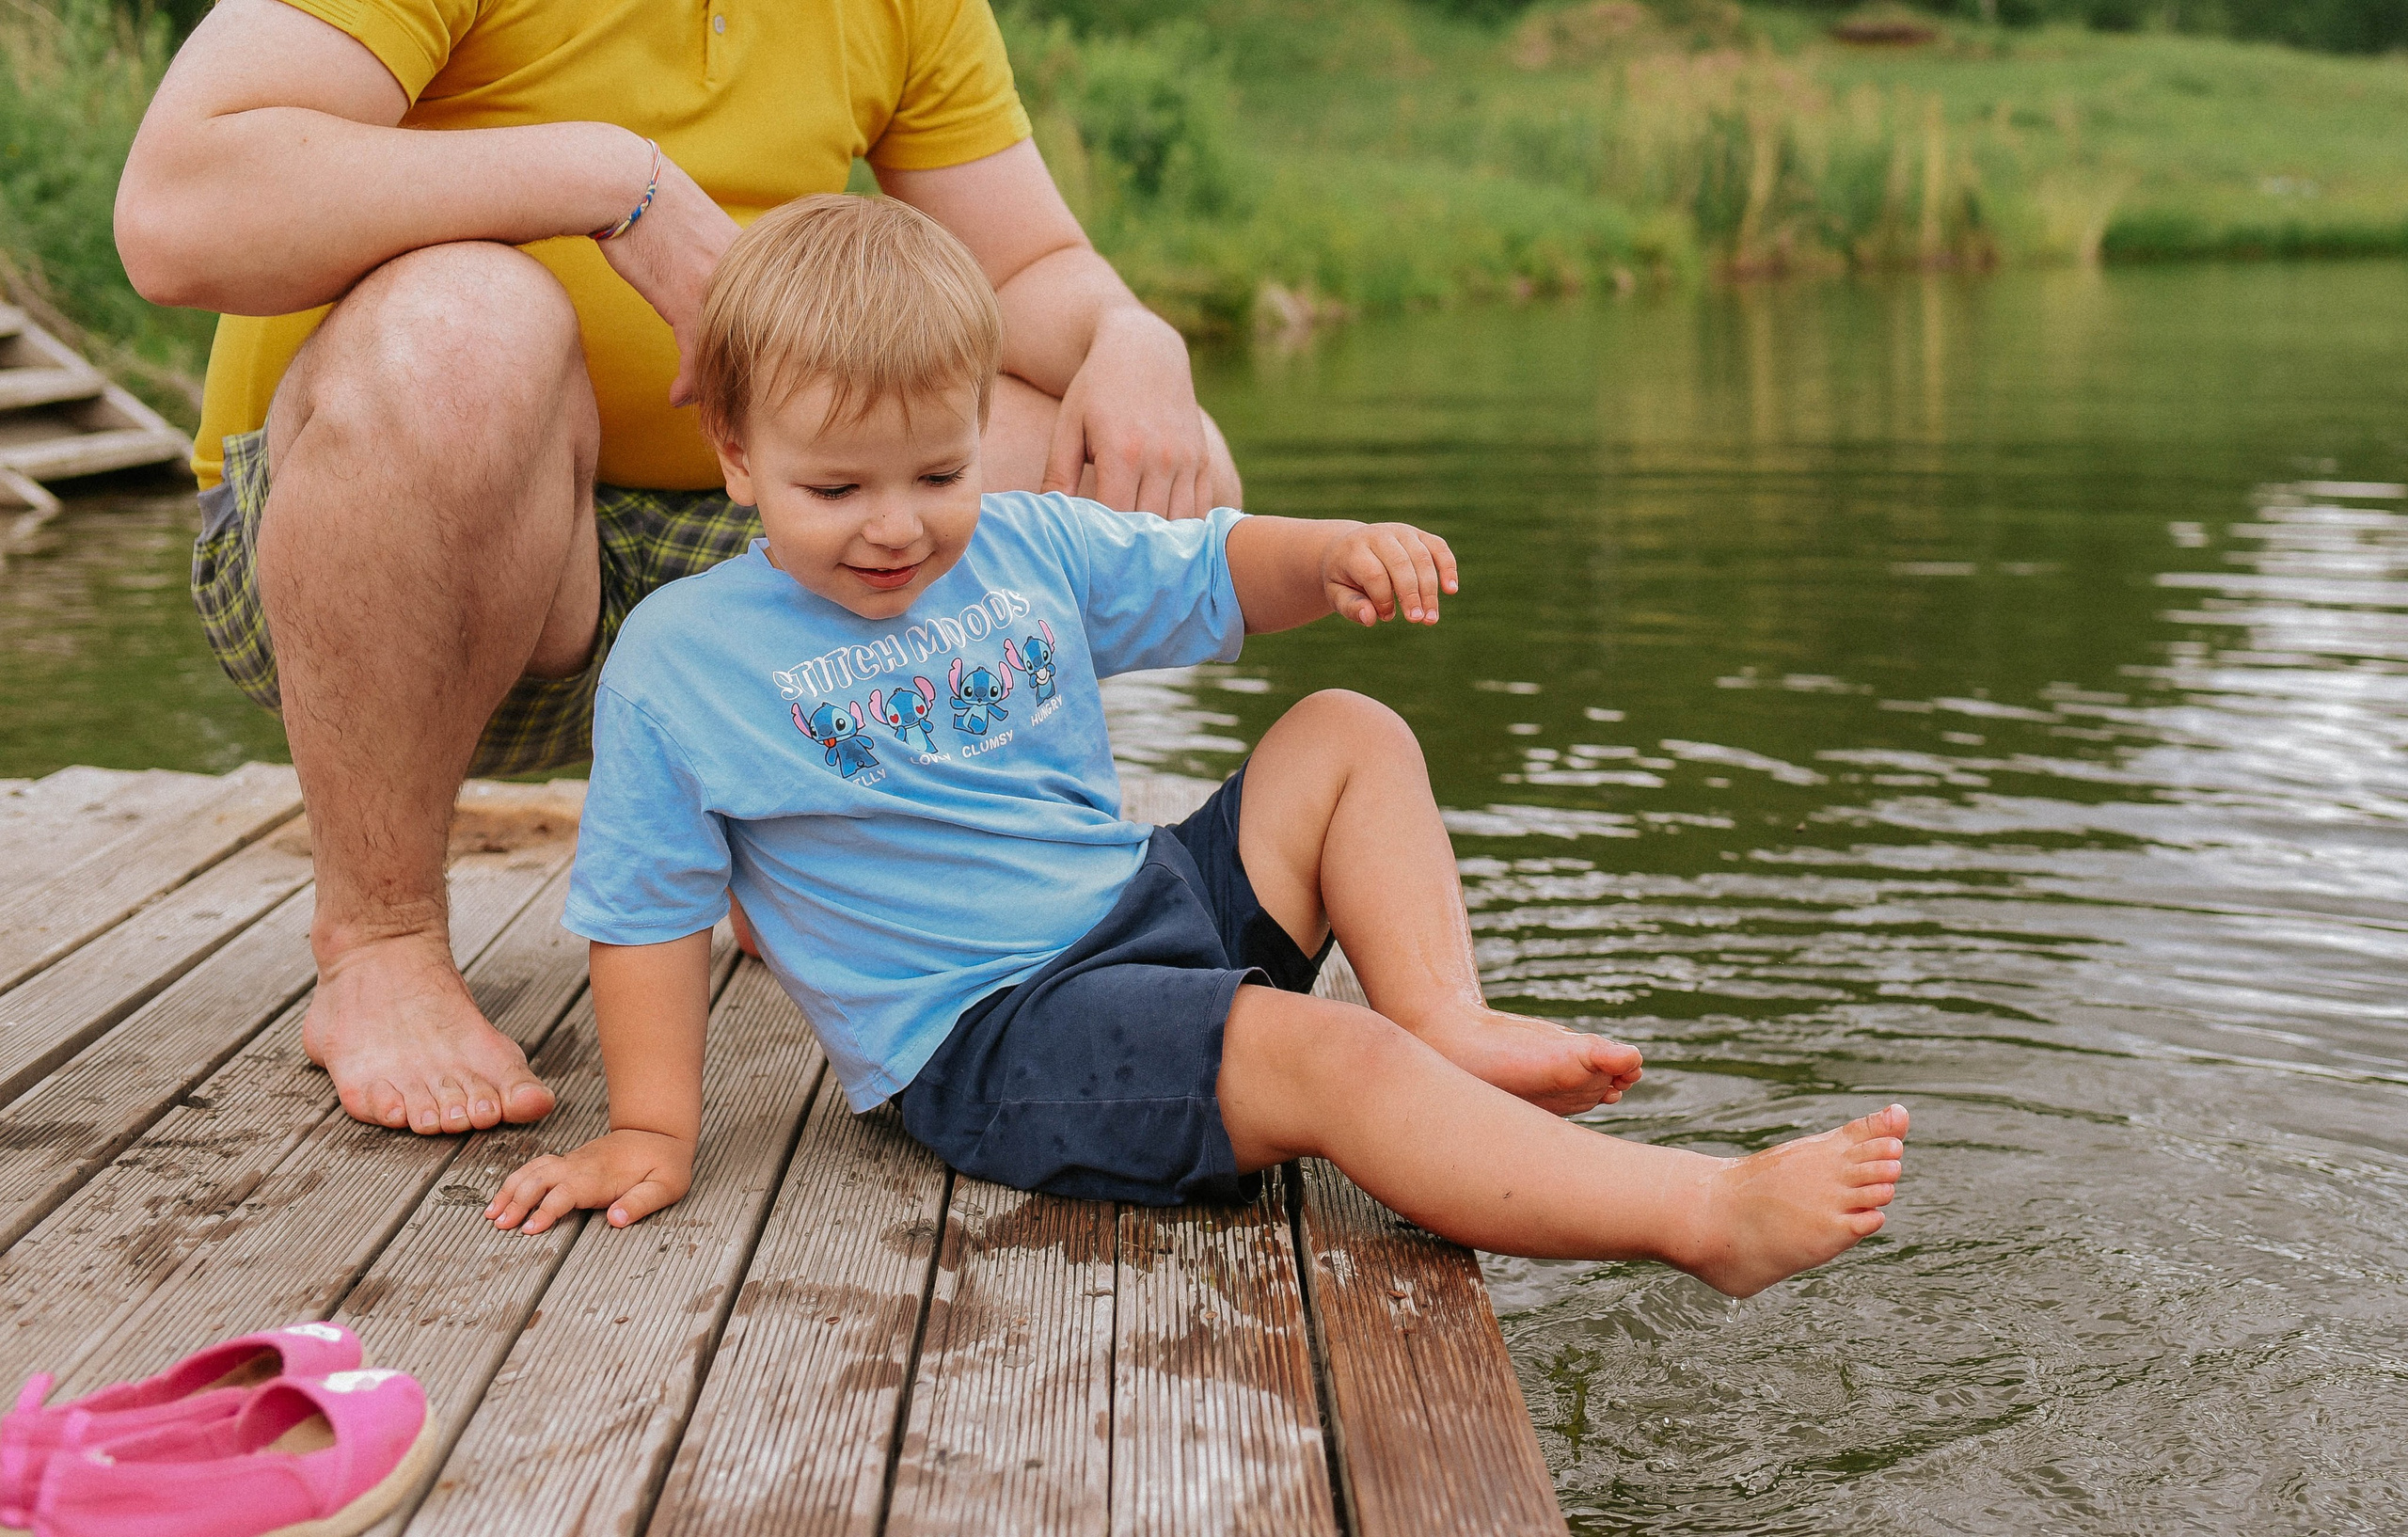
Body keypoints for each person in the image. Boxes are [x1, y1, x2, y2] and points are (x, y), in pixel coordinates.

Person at [482, 196, 1909, 1295]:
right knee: (1317, 1058)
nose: (897, 524)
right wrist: (655, 1131)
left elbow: (1210, 566)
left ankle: (1448, 1019)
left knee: (1345, 732)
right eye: (834, 484)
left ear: (984, 432)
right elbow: (647, 912)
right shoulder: (683, 658)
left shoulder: (1025, 546)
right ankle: (1702, 1214)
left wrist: (1332, 552)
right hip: (991, 1028)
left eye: (939, 470)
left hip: (1142, 903)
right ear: (735, 454)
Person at [113, 0, 1238, 1140]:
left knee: (1131, 474)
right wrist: (610, 181)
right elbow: (176, 211)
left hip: (743, 539)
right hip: (380, 543)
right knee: (463, 329)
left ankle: (814, 841)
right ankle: (383, 939)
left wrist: (1131, 338)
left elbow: (1028, 263)